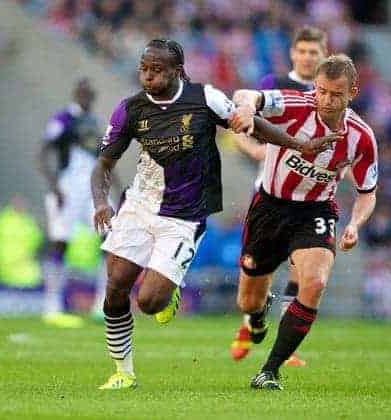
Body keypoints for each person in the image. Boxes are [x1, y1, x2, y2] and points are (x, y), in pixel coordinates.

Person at [91, 38, 339, 390]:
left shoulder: (205, 98)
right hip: (139, 205)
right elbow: (103, 163)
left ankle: (169, 286)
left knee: (148, 302)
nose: (148, 76)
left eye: (157, 70)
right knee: (115, 288)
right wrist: (102, 201)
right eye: (144, 69)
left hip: (184, 215)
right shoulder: (130, 109)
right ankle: (123, 372)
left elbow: (248, 123)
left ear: (177, 71)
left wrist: (297, 144)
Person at [229, 54, 378, 390]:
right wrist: (249, 109)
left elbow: (367, 192)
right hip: (269, 208)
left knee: (315, 282)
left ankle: (270, 370)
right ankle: (256, 317)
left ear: (352, 93)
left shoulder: (361, 137)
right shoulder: (294, 104)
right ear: (315, 87)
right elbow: (245, 95)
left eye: (336, 94)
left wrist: (354, 223)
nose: (327, 100)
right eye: (322, 91)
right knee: (248, 300)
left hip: (315, 212)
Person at [231, 26, 328, 367]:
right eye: (302, 51)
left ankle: (288, 350)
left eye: (313, 52)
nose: (307, 57)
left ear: (323, 56)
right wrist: (255, 149)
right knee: (256, 285)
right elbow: (237, 122)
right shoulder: (274, 86)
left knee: (302, 271)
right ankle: (253, 318)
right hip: (270, 193)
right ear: (292, 53)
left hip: (310, 199)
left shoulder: (328, 94)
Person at [38, 78, 107, 327]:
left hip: (92, 189)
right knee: (60, 243)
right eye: (83, 93)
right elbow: (42, 153)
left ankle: (103, 303)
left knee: (109, 239)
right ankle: (52, 306)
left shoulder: (96, 123)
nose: (87, 97)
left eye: (90, 93)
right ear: (76, 93)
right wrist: (54, 187)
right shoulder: (63, 119)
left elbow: (103, 158)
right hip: (67, 188)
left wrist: (117, 186)